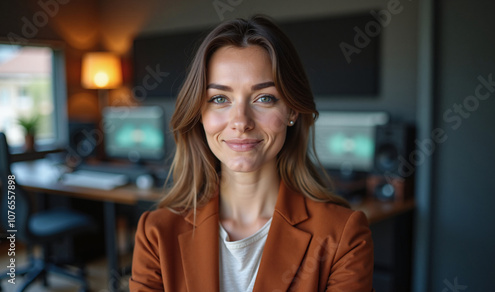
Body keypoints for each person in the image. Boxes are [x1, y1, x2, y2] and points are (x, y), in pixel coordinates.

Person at [129, 15, 374, 292]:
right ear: (200, 114)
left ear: (292, 110)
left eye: (264, 98)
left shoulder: (343, 235)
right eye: (220, 99)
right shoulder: (156, 233)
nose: (241, 121)